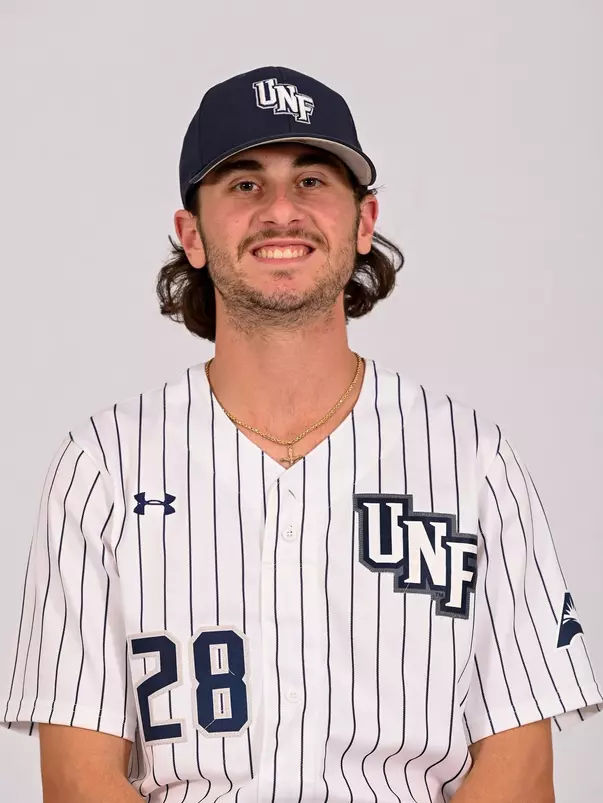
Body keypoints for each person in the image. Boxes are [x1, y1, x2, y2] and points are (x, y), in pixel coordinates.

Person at [1, 65, 601, 803]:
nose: (280, 210)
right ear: (191, 233)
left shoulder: (473, 463)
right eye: (244, 184)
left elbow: (519, 774)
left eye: (312, 181)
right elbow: (76, 779)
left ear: (363, 223)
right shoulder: (100, 466)